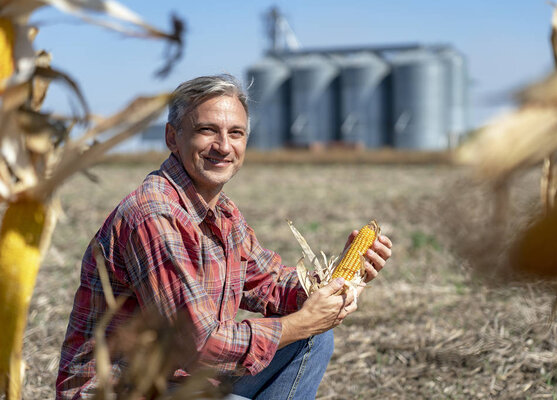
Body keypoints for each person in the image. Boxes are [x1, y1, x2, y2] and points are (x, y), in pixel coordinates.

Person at [56, 74, 393, 399]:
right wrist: (302, 322)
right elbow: (200, 344)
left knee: (313, 339)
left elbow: (272, 283)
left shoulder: (224, 215)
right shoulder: (153, 215)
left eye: (236, 133)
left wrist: (339, 280)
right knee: (303, 332)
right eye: (207, 130)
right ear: (172, 137)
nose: (223, 146)